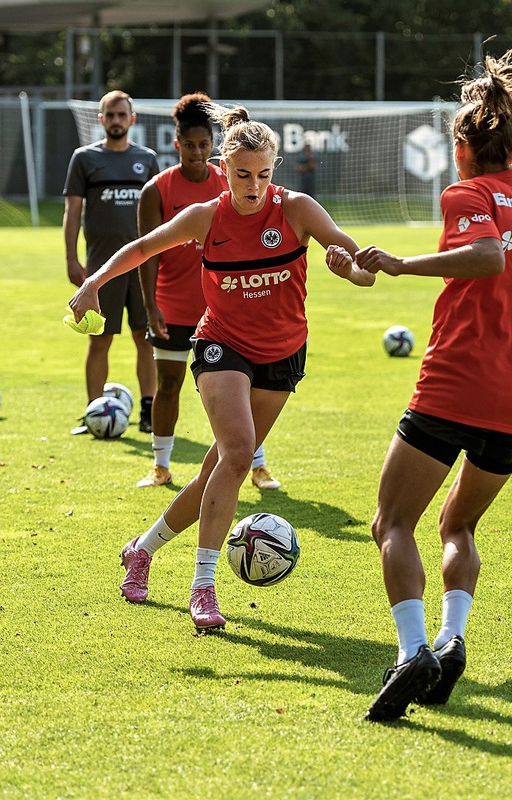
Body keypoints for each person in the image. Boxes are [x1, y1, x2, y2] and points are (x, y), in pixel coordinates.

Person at [326, 51, 512, 722]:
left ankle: (412, 653)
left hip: (458, 385)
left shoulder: (468, 194)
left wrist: (402, 264)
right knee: (458, 522)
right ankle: (451, 637)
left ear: (463, 147)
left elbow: (487, 256)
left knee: (391, 522)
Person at [68, 101, 375, 631]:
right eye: (241, 175)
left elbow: (362, 269)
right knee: (238, 454)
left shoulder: (299, 209)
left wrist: (349, 270)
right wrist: (93, 284)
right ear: (224, 169)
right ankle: (204, 587)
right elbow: (142, 247)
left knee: (218, 469)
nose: (252, 186)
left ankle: (141, 549)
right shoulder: (205, 217)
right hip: (221, 344)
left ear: (273, 170)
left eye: (261, 175)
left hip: (283, 353)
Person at [135, 92, 282, 492]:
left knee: (244, 393)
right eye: (189, 145)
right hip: (172, 306)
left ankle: (257, 465)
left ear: (213, 148)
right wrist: (150, 306)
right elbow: (147, 253)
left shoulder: (233, 182)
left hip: (224, 314)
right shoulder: (157, 190)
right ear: (176, 143)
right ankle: (161, 466)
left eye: (204, 145)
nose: (197, 153)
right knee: (168, 385)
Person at [63, 89, 160, 435]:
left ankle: (150, 411)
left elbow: (159, 216)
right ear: (100, 119)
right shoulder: (84, 159)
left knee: (144, 337)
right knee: (99, 339)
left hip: (143, 264)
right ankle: (93, 414)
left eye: (122, 115)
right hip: (101, 268)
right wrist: (72, 258)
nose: (116, 120)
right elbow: (72, 212)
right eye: (110, 115)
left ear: (132, 120)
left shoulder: (147, 159)